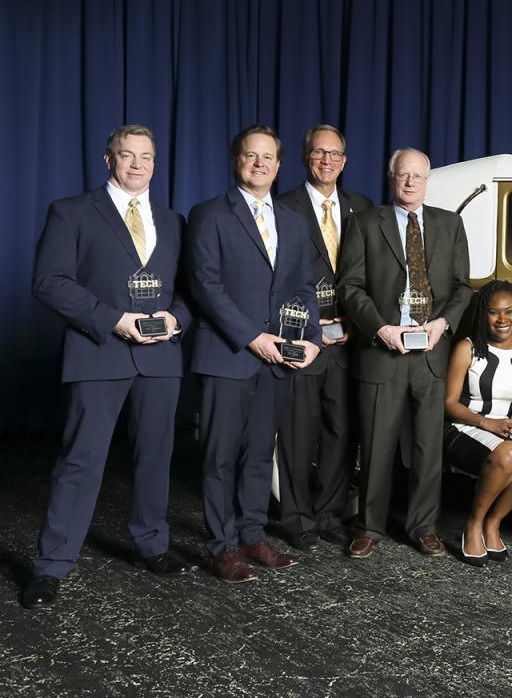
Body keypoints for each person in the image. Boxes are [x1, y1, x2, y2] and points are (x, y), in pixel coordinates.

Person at [22, 125, 192, 608]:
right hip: (98, 353)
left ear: (155, 162)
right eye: (127, 155)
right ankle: (51, 566)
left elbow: (191, 291)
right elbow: (48, 281)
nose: (137, 164)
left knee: (156, 457)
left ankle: (152, 545)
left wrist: (175, 318)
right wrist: (114, 320)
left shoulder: (173, 220)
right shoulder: (72, 212)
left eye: (146, 156)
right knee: (81, 461)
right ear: (107, 160)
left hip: (161, 357)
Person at [186, 124, 321, 583]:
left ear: (279, 165)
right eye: (250, 155)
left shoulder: (293, 222)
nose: (259, 163)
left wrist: (311, 339)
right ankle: (222, 545)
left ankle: (251, 534)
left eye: (267, 157)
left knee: (262, 453)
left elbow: (305, 288)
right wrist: (251, 338)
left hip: (279, 357)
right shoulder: (209, 214)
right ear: (236, 160)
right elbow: (205, 285)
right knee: (220, 454)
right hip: (229, 354)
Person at [338, 148, 472, 559]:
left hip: (432, 353)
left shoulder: (449, 224)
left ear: (427, 181)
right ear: (391, 177)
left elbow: (463, 287)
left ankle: (423, 526)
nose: (410, 183)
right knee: (377, 444)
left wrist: (442, 324)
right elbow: (350, 286)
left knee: (428, 448)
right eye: (403, 176)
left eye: (417, 176)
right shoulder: (363, 224)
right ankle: (369, 527)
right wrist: (380, 328)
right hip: (383, 351)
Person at [275, 125, 374, 552]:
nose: (327, 161)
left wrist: (363, 323)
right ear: (305, 158)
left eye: (334, 154)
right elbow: (276, 279)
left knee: (341, 431)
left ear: (345, 161)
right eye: (319, 153)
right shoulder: (282, 206)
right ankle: (296, 518)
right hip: (303, 338)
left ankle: (330, 513)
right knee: (298, 432)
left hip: (350, 341)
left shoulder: (363, 208)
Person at [442, 280, 512, 566]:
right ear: (483, 315)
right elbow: (449, 403)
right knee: (509, 453)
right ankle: (473, 525)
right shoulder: (468, 348)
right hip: (465, 427)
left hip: (505, 432)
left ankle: (493, 523)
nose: (502, 319)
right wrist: (487, 423)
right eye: (493, 312)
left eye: (509, 311)